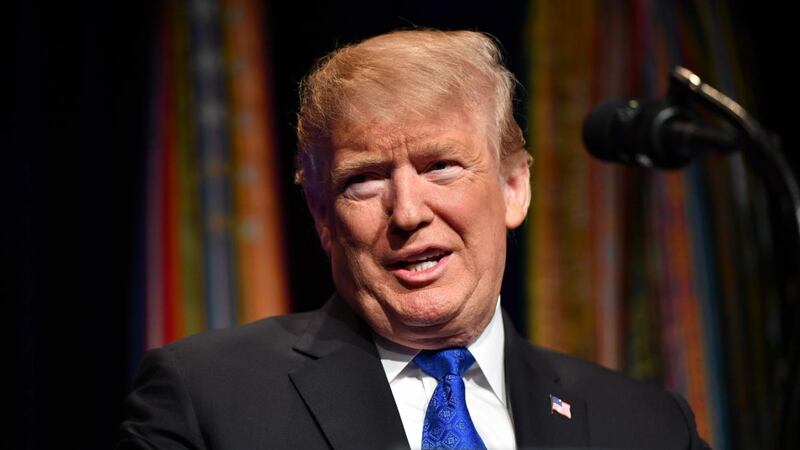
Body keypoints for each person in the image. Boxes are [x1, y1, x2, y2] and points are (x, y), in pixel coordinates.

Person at [118, 29, 710, 449]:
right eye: (365, 179)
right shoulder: (207, 400)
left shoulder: (647, 426)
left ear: (513, 187)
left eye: (441, 167)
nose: (407, 212)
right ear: (323, 217)